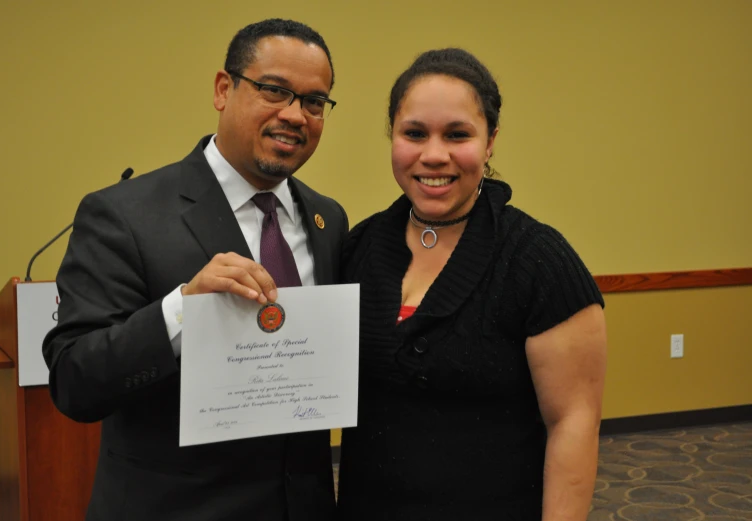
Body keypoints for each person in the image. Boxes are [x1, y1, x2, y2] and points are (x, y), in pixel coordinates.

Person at [43, 18, 346, 521]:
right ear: (224, 89)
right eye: (274, 90)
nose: (296, 115)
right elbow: (75, 382)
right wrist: (182, 312)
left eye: (314, 101)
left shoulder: (328, 218)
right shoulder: (123, 214)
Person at [336, 48, 607, 520]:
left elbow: (573, 422)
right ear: (392, 136)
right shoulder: (359, 246)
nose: (434, 154)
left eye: (457, 134)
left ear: (490, 140)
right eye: (414, 133)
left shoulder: (538, 260)